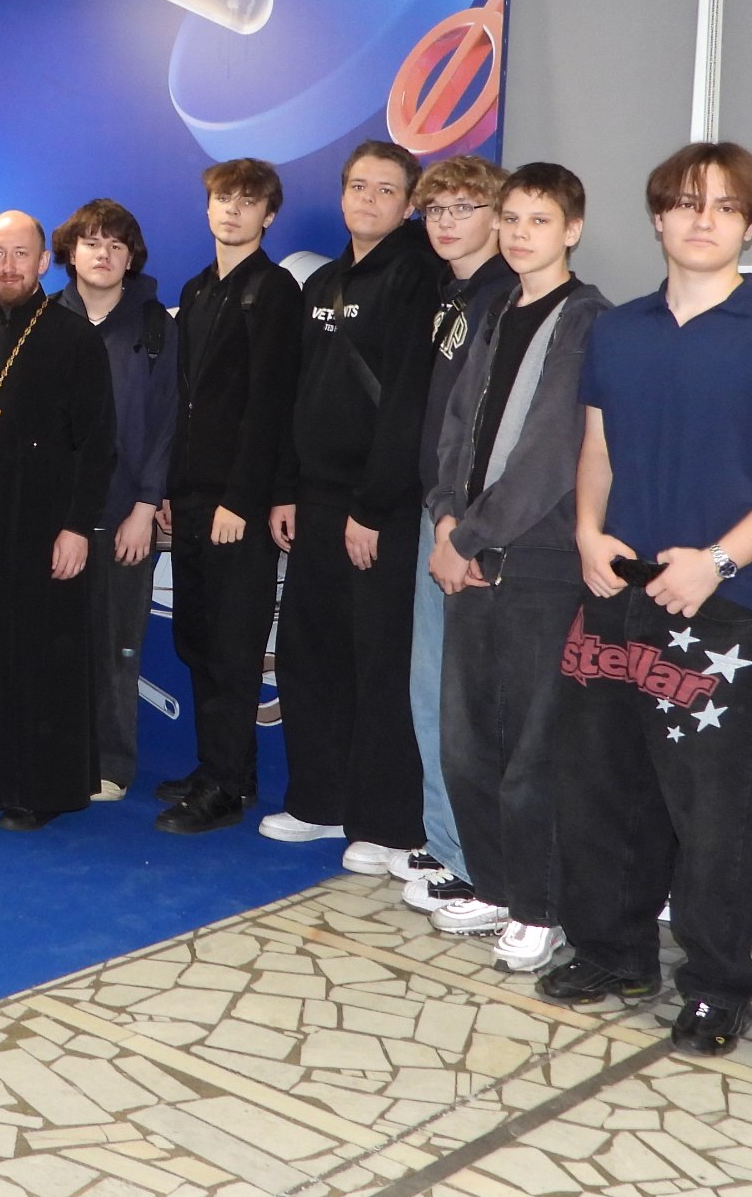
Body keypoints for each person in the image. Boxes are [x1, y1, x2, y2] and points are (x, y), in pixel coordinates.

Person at [543, 141, 752, 1057]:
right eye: (683, 202)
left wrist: (716, 559)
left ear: (751, 223)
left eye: (723, 205)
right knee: (601, 789)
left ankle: (717, 986)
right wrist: (587, 531)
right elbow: (599, 447)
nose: (701, 219)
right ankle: (613, 954)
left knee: (712, 813)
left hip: (725, 608)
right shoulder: (619, 330)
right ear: (658, 217)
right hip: (616, 592)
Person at [424, 164, 609, 975]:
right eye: (512, 219)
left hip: (537, 558)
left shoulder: (586, 319)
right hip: (470, 545)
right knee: (469, 737)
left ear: (572, 229)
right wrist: (445, 516)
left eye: (540, 220)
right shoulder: (496, 309)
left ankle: (540, 906)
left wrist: (471, 538)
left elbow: (550, 453)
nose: (521, 233)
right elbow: (456, 425)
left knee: (534, 743)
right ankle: (496, 884)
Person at [267, 140, 444, 869]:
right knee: (311, 654)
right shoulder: (323, 281)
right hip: (314, 499)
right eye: (358, 187)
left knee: (381, 662)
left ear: (409, 204)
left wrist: (371, 507)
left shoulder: (419, 276)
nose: (368, 200)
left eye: (385, 190)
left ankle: (388, 823)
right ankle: (320, 801)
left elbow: (408, 401)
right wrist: (286, 488)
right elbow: (297, 391)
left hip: (382, 506)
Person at [0, 211, 116, 829]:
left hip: (47, 521)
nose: (6, 266)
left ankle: (41, 791)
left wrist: (78, 527)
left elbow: (97, 445)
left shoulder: (74, 337)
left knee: (43, 658)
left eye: (19, 254)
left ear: (42, 262)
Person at [157, 159, 303, 835]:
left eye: (248, 202)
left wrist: (240, 501)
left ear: (268, 215)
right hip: (188, 495)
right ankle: (225, 770)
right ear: (207, 206)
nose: (232, 211)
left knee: (232, 643)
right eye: (222, 199)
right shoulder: (197, 288)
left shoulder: (274, 291)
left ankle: (222, 785)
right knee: (197, 638)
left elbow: (270, 404)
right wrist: (167, 487)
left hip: (234, 503)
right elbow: (181, 399)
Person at [398, 154, 515, 915]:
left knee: (466, 697)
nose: (445, 222)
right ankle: (446, 841)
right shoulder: (453, 295)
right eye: (435, 209)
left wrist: (465, 528)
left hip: (476, 524)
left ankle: (475, 857)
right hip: (436, 509)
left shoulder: (506, 297)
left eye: (463, 208)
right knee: (432, 688)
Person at [55, 199, 174, 802]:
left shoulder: (155, 326)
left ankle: (110, 763)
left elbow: (166, 422)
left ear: (131, 258)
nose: (102, 254)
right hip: (56, 518)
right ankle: (54, 755)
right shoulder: (45, 320)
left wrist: (146, 507)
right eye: (92, 242)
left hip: (126, 514)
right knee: (54, 643)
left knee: (116, 646)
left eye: (116, 245)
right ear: (70, 252)